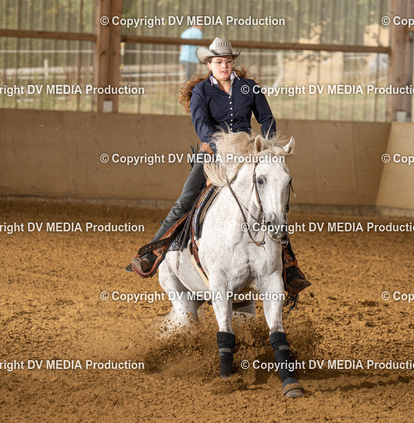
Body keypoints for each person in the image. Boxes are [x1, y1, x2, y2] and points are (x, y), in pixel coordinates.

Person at [131, 37, 310, 295]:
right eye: (218, 62)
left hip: (247, 153)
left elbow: (266, 118)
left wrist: (269, 145)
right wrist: (217, 144)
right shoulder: (201, 91)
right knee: (185, 199)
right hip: (213, 155)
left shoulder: (249, 87)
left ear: (232, 63)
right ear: (209, 64)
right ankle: (153, 252)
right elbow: (201, 124)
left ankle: (289, 266)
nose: (224, 66)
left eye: (227, 61)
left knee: (272, 201)